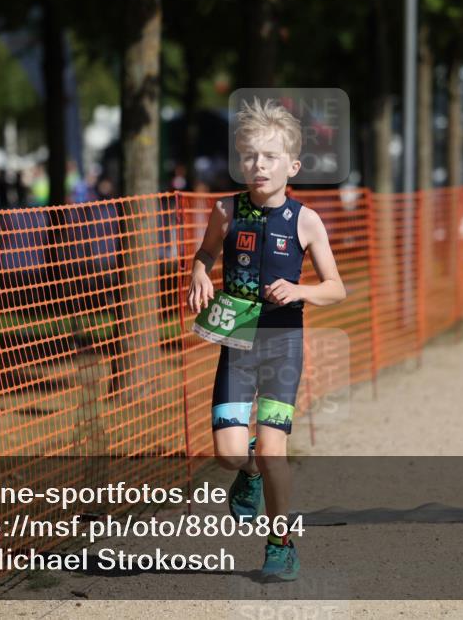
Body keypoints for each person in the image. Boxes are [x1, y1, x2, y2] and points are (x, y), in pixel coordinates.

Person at [187, 98, 346, 582]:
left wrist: (300, 291)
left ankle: (281, 544)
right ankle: (249, 471)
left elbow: (336, 288)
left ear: (292, 166)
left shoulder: (305, 220)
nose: (259, 165)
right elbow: (206, 252)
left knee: (274, 451)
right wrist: (199, 274)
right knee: (229, 454)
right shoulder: (225, 210)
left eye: (270, 157)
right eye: (251, 156)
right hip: (236, 341)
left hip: (282, 344)